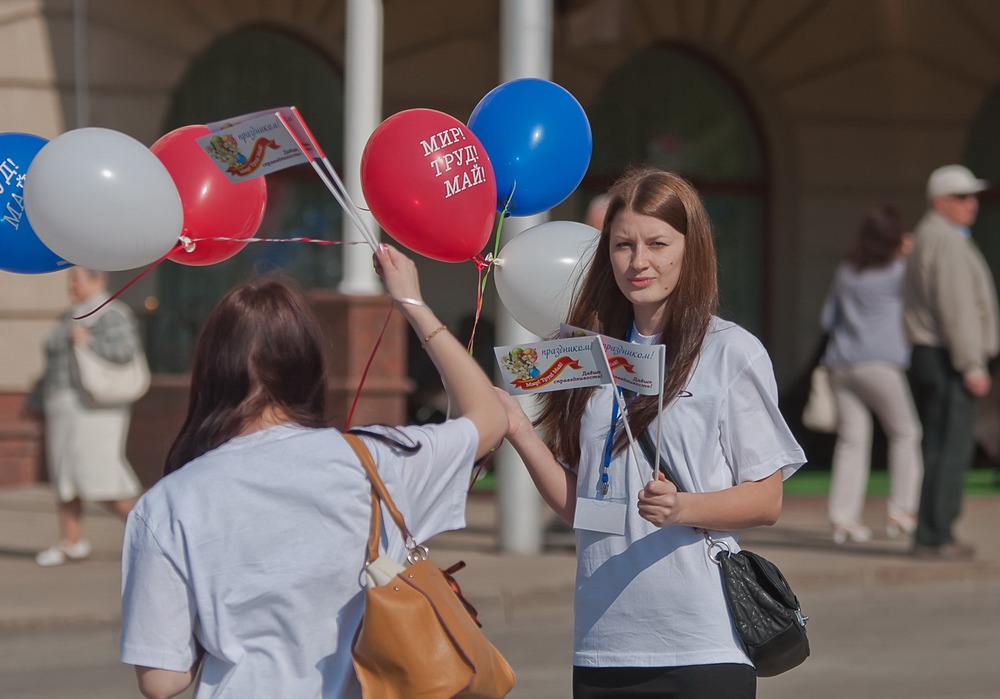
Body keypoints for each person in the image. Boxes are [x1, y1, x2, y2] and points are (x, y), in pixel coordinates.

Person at [118, 244, 507, 699]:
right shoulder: (377, 459)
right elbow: (488, 418)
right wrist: (412, 303)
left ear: (210, 371)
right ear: (309, 366)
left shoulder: (167, 503)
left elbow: (162, 681)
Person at [495, 167, 805, 698]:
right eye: (623, 245)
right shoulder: (585, 354)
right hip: (602, 643)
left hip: (702, 644)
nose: (639, 262)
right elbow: (582, 510)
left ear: (691, 249)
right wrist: (518, 429)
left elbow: (767, 498)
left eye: (658, 243)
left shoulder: (730, 351)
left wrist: (683, 507)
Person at [902, 164, 999, 559]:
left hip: (933, 355)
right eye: (962, 197)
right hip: (947, 357)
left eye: (973, 196)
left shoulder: (932, 235)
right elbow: (957, 309)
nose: (971, 204)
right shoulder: (946, 240)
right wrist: (972, 364)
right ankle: (938, 534)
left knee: (940, 445)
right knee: (951, 446)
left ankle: (931, 532)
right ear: (941, 201)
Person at [819, 205, 923, 544]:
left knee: (852, 441)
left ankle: (842, 520)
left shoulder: (846, 271)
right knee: (906, 433)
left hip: (843, 364)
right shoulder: (898, 271)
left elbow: (827, 320)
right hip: (881, 365)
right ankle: (901, 512)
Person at [32, 267, 144, 567]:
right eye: (71, 278)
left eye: (78, 278)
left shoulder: (111, 313)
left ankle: (151, 533)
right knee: (65, 476)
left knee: (100, 477)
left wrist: (88, 341)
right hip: (64, 406)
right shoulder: (70, 313)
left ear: (100, 280)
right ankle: (71, 541)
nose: (73, 284)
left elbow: (125, 349)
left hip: (96, 409)